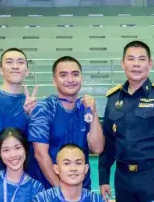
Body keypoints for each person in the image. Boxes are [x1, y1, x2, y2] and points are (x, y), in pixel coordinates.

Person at [99, 40, 154, 202]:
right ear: (123, 63)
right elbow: (109, 142)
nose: (136, 64)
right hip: (122, 178)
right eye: (131, 59)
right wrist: (104, 178)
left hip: (153, 177)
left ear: (150, 64)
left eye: (141, 59)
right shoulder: (113, 99)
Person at [29, 56, 104, 190]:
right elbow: (40, 154)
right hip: (49, 190)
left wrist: (94, 112)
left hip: (81, 189)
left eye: (75, 74)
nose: (70, 79)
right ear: (54, 81)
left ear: (81, 78)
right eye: (63, 75)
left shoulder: (85, 109)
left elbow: (97, 148)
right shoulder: (44, 108)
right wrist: (62, 190)